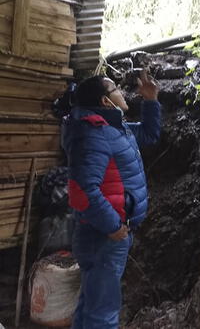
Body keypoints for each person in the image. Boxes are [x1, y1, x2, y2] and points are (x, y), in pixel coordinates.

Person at [62, 71, 161, 328]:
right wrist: (114, 227)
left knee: (90, 304)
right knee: (102, 314)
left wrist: (150, 101)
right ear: (106, 101)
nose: (121, 92)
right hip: (103, 236)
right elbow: (82, 190)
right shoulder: (94, 134)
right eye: (115, 88)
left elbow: (150, 135)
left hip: (103, 233)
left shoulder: (116, 129)